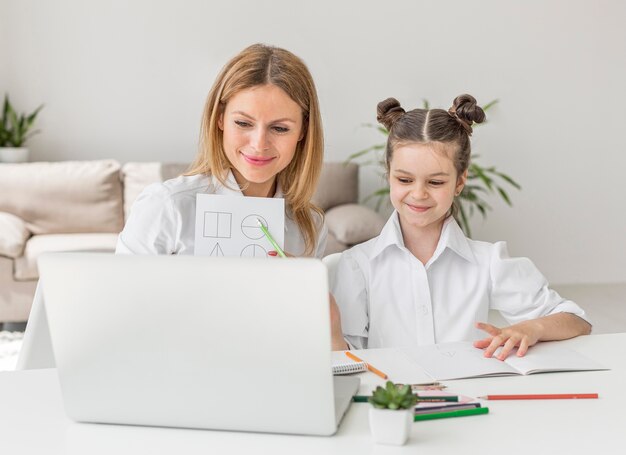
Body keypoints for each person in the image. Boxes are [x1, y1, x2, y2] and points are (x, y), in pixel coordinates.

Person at [116, 43, 346, 349]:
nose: (259, 144)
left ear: (303, 131)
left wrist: (305, 296)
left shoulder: (309, 227)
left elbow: (308, 342)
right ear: (220, 119)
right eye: (243, 123)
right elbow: (118, 318)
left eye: (279, 128)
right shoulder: (167, 206)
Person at [331, 94, 591, 359]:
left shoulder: (488, 261)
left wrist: (531, 328)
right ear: (389, 174)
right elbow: (348, 359)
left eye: (435, 182)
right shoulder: (357, 264)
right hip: (393, 397)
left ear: (459, 182)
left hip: (469, 398)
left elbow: (576, 320)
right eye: (405, 179)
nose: (418, 194)